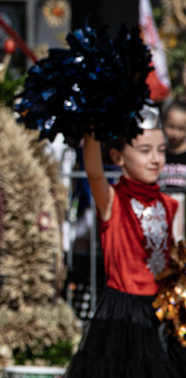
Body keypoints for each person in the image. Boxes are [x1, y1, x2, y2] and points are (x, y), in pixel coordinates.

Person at [66, 106, 186, 377]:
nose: (156, 160)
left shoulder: (168, 204)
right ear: (118, 156)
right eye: (145, 151)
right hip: (122, 313)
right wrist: (94, 125)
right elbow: (94, 172)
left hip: (159, 310)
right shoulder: (113, 201)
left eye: (161, 150)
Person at [159, 98, 186, 196]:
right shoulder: (158, 153)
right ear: (163, 122)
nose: (175, 133)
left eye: (181, 128)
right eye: (171, 126)